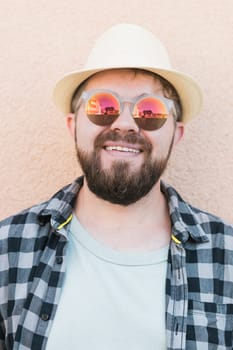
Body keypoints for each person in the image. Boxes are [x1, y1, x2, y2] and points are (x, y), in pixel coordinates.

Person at [0, 23, 233, 350]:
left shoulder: (226, 256)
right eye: (101, 106)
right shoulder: (8, 249)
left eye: (149, 111)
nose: (124, 123)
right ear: (73, 125)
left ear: (176, 135)